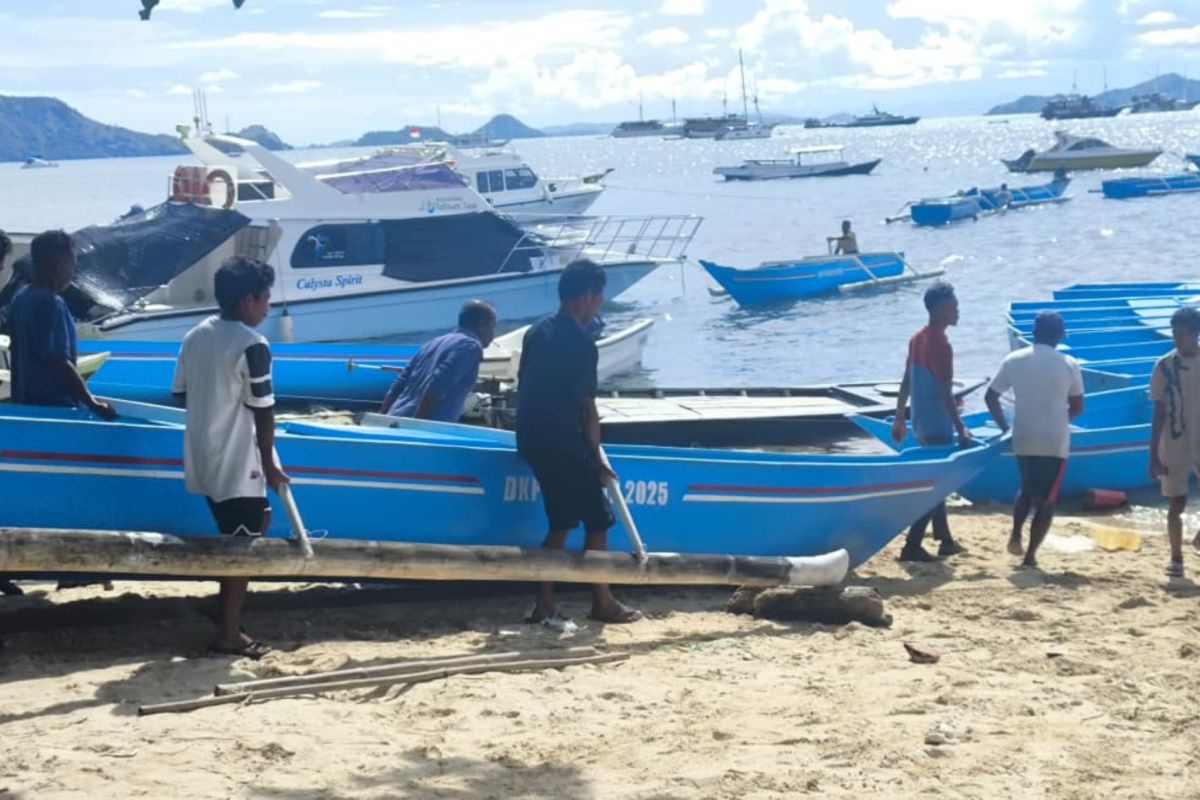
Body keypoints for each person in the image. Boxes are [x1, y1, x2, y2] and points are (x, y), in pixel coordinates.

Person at [172, 256, 288, 659]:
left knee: (251, 524)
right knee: (242, 545)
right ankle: (228, 634)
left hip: (204, 454)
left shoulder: (195, 335)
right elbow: (264, 409)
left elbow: (181, 394)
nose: (268, 308)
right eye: (265, 299)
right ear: (247, 300)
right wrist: (270, 465)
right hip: (238, 460)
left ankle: (223, 607)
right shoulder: (252, 344)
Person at [516, 259, 642, 626]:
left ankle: (544, 603)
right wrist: (596, 458)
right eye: (599, 298)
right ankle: (602, 601)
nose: (598, 306)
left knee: (561, 521)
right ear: (587, 296)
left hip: (533, 439)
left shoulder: (535, 332)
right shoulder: (583, 344)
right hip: (564, 442)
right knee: (599, 520)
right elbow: (587, 408)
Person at [985, 311, 1084, 569]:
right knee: (1047, 500)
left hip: (1023, 434)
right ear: (1059, 335)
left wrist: (1004, 427)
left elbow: (990, 397)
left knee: (1027, 487)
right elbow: (1077, 406)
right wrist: (1058, 418)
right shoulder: (1068, 363)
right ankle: (1030, 556)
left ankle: (1016, 533)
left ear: (1034, 334)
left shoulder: (1014, 359)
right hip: (1054, 440)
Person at [891, 281, 971, 562]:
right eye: (953, 306)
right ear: (938, 309)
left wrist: (899, 418)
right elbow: (945, 393)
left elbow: (905, 382)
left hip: (920, 421)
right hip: (937, 424)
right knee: (936, 486)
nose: (958, 310)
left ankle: (945, 541)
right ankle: (912, 545)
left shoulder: (917, 338)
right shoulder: (941, 344)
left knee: (938, 482)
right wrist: (961, 428)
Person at [6, 230, 114, 417]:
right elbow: (58, 362)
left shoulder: (20, 299)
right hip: (53, 409)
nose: (72, 273)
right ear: (57, 266)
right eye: (71, 265)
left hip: (24, 407)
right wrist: (92, 402)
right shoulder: (51, 304)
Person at [380, 300, 496, 421]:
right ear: (482, 324)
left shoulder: (431, 344)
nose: (493, 334)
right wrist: (417, 422)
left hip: (394, 416)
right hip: (423, 425)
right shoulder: (471, 346)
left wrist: (381, 417)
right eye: (493, 326)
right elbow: (438, 384)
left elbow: (400, 383)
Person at [1148, 306, 1200, 578]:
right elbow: (1157, 413)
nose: (1177, 339)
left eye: (1182, 333)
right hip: (1174, 441)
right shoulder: (1164, 366)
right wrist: (1153, 456)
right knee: (1176, 502)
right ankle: (1176, 558)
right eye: (1174, 333)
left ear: (1195, 334)